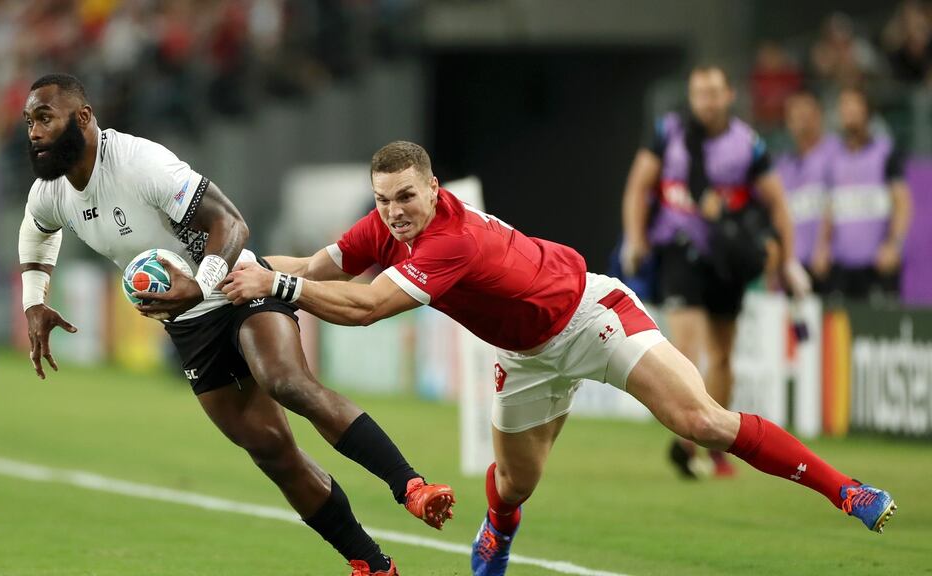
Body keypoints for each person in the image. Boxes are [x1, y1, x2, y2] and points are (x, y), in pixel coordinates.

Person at [222, 140, 897, 576]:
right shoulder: (384, 227)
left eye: (406, 197)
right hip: (526, 356)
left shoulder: (451, 239)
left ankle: (847, 491)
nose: (394, 212)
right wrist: (228, 267)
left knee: (702, 422)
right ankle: (501, 526)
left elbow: (364, 308)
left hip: (592, 316)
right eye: (383, 200)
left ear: (433, 189)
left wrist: (276, 288)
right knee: (515, 487)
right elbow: (315, 268)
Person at [17, 74, 454, 576]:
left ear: (83, 118)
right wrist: (35, 302)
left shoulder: (140, 163)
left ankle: (411, 487)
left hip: (235, 283)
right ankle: (375, 566)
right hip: (188, 327)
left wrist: (202, 287)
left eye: (45, 117)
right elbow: (36, 230)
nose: (34, 130)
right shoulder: (50, 191)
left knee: (285, 382)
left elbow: (232, 223)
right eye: (29, 120)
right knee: (271, 452)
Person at [621, 65, 810, 478]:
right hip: (679, 250)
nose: (706, 101)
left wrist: (789, 259)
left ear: (728, 96)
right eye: (699, 93)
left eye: (713, 93)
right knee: (684, 348)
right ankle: (688, 440)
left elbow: (777, 203)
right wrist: (636, 238)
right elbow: (639, 186)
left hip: (727, 258)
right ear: (691, 97)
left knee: (722, 354)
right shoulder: (668, 134)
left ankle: (718, 446)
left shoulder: (747, 144)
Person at [819, 87, 913, 302]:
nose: (848, 111)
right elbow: (830, 207)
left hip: (877, 268)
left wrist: (894, 245)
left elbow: (902, 203)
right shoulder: (833, 158)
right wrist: (822, 246)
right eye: (844, 105)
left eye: (854, 105)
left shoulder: (885, 152)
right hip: (841, 268)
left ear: (867, 112)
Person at [774, 89, 836, 286]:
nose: (800, 122)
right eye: (794, 116)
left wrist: (824, 246)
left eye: (805, 115)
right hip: (795, 268)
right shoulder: (783, 165)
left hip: (828, 264)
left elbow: (835, 204)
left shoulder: (835, 154)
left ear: (818, 117)